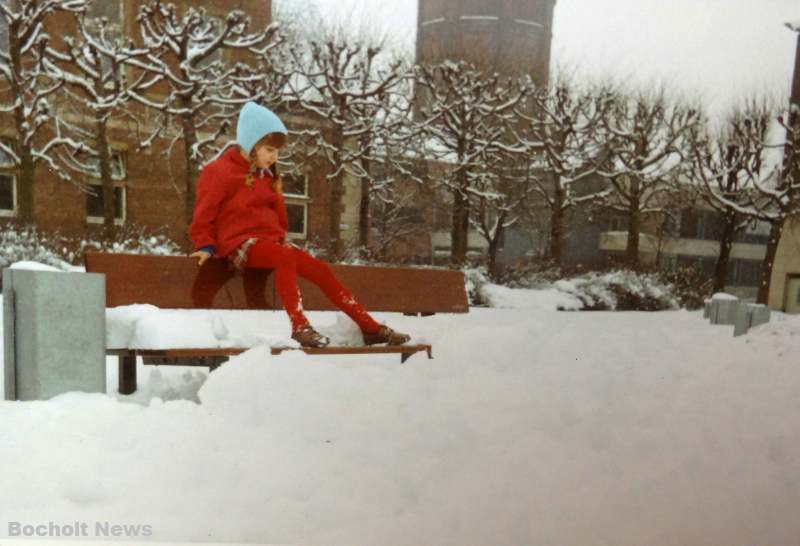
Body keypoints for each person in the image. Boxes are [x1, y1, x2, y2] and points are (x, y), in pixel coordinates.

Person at [188, 101, 410, 348]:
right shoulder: (219, 172)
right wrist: (205, 245)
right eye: (269, 149)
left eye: (277, 151)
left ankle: (370, 328)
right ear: (251, 144)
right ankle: (300, 326)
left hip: (270, 244)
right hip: (239, 244)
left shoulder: (267, 174)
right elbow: (204, 213)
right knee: (284, 256)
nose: (274, 157)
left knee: (319, 269)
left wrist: (278, 193)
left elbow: (279, 222)